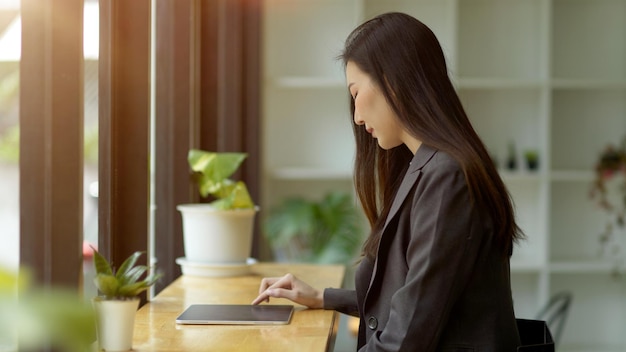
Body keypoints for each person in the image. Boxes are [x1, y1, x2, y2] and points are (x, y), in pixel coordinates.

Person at [252, 12, 524, 351]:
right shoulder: (431, 166)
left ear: (392, 81)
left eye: (356, 93)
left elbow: (407, 337)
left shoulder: (446, 176)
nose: (356, 115)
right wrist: (323, 296)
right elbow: (416, 298)